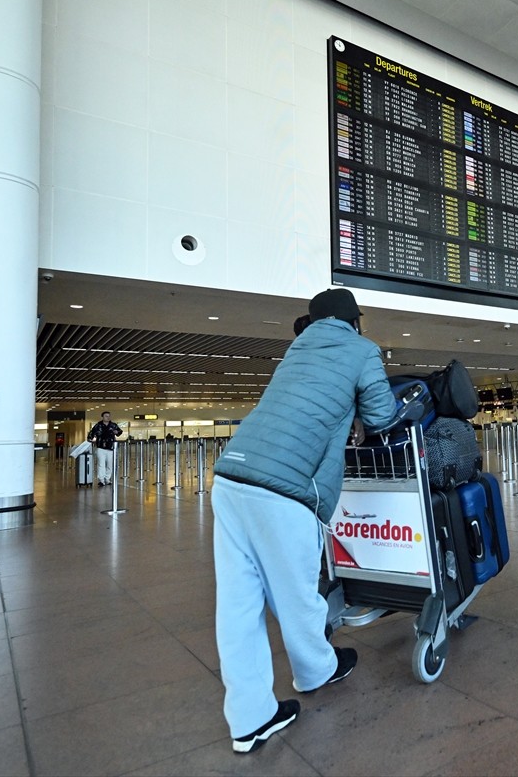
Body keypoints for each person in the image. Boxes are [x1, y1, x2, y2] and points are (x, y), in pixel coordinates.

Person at [212, 288, 397, 754]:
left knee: (237, 605)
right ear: (355, 321)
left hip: (233, 475)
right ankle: (317, 669)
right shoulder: (361, 349)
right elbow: (382, 415)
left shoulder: (296, 349)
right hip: (286, 488)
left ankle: (250, 719)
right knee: (296, 593)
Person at [86, 411, 122, 486]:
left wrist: (117, 432)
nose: (108, 417)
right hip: (100, 447)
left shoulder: (113, 425)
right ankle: (101, 480)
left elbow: (119, 432)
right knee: (101, 464)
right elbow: (91, 433)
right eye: (106, 416)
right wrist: (91, 439)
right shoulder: (98, 425)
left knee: (110, 464)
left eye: (109, 416)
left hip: (110, 447)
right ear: (102, 417)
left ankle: (107, 479)